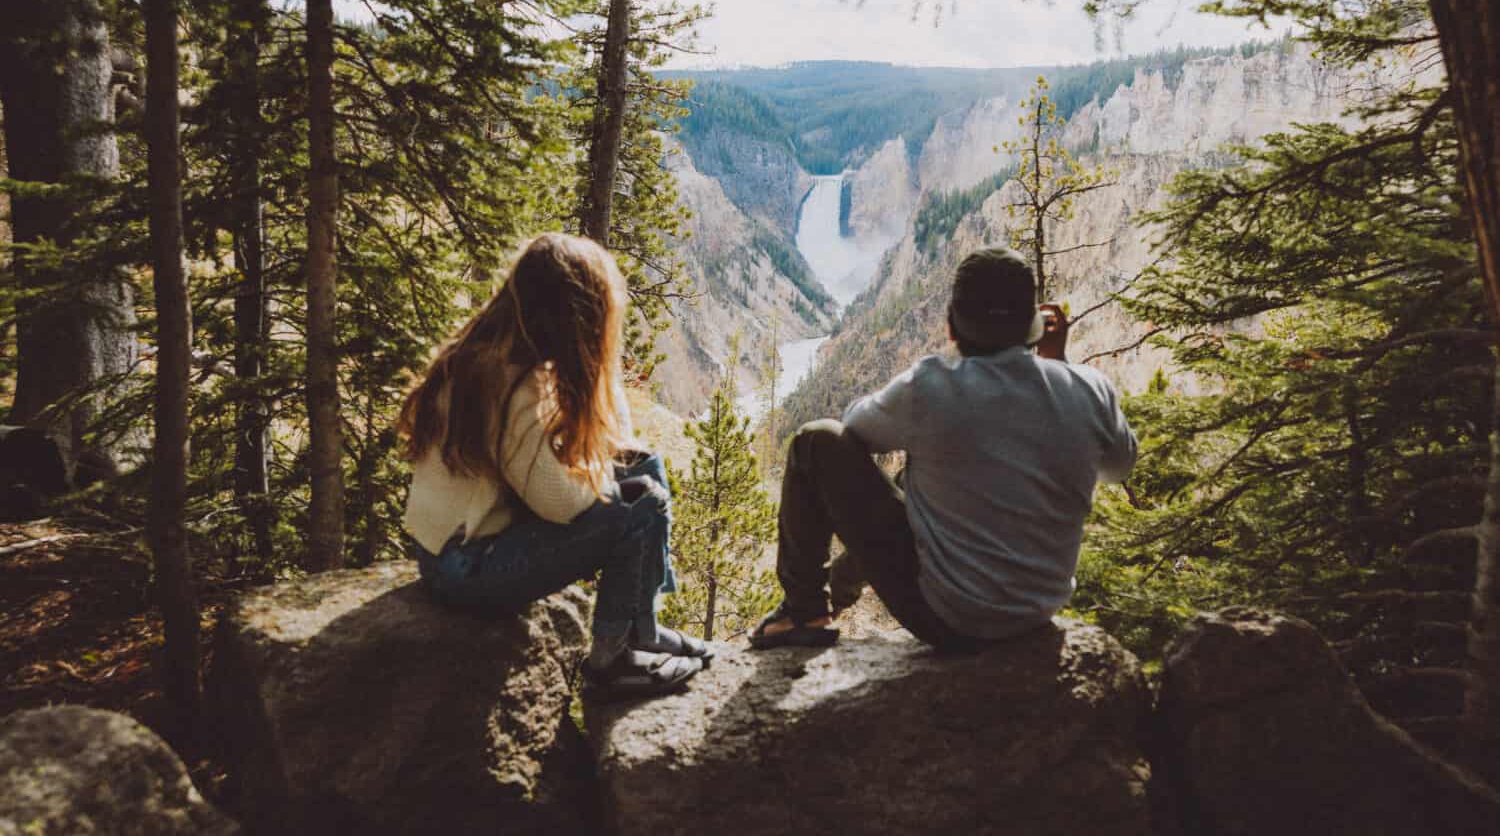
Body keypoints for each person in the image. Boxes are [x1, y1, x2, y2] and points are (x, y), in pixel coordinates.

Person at [751, 245, 1137, 651]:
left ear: (953, 324)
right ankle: (832, 595)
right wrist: (1057, 362)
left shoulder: (931, 386)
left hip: (951, 620)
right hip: (1037, 612)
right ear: (1035, 325)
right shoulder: (1090, 388)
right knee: (920, 479)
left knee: (816, 440)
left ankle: (805, 610)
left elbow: (852, 429)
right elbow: (1118, 467)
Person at [398, 233, 710, 698]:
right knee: (641, 504)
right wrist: (609, 483)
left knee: (642, 465)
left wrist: (606, 436)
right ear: (572, 317)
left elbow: (612, 442)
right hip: (466, 565)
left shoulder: (494, 354)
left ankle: (641, 628)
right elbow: (559, 504)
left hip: (459, 547)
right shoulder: (509, 384)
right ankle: (612, 661)